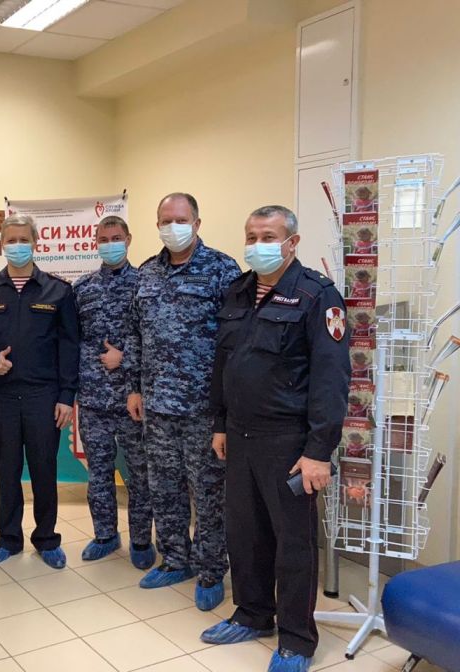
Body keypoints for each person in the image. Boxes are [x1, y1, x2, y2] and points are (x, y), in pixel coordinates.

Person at [201, 205, 350, 672]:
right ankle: (252, 613)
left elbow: (331, 379)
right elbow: (224, 365)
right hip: (240, 434)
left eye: (268, 236)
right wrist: (220, 422)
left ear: (292, 242)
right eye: (251, 236)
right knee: (244, 533)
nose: (257, 244)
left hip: (289, 441)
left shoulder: (317, 295)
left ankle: (297, 640)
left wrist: (318, 452)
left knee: (293, 543)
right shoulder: (238, 291)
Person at [124, 193, 241, 610]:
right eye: (165, 220)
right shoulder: (146, 273)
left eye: (180, 219)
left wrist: (226, 406)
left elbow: (235, 339)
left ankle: (211, 570)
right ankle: (175, 559)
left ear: (196, 223)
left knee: (208, 495)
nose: (172, 226)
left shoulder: (222, 269)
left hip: (203, 409)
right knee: (164, 488)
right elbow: (134, 334)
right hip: (157, 406)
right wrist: (134, 388)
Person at [0, 214, 79, 569]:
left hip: (44, 396)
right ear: (1, 245)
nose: (17, 246)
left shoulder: (58, 290)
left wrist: (67, 396)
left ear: (35, 243)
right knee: (6, 469)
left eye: (23, 240)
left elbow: (69, 346)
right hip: (1, 396)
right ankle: (8, 538)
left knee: (44, 468)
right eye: (11, 240)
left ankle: (46, 539)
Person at [72, 216, 154, 568]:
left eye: (116, 237)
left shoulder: (145, 284)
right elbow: (72, 339)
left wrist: (125, 358)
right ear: (95, 242)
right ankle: (105, 535)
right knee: (99, 473)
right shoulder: (82, 288)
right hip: (93, 399)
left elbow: (154, 337)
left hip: (134, 398)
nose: (110, 244)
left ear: (128, 239)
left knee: (140, 474)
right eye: (103, 239)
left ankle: (141, 539)